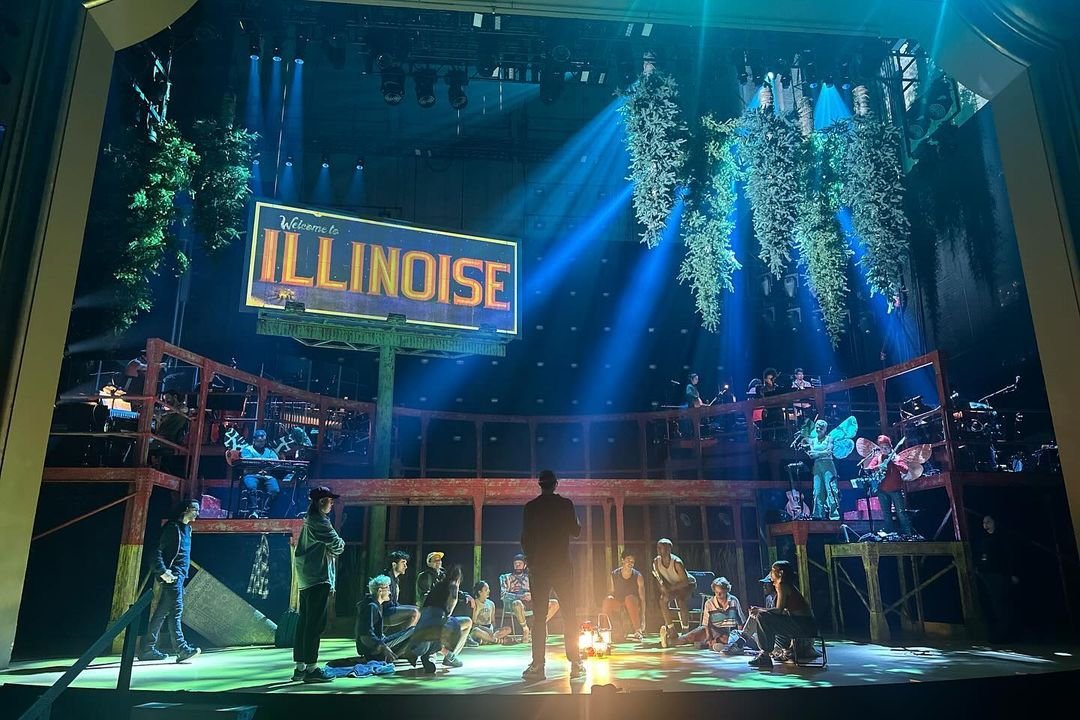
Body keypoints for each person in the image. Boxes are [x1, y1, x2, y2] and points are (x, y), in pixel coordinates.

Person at [520, 469, 584, 680]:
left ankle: (538, 666)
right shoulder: (565, 504)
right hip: (562, 567)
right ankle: (575, 663)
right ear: (556, 484)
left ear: (540, 485)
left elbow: (525, 539)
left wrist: (531, 561)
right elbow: (576, 531)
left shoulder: (531, 507)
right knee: (569, 614)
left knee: (539, 617)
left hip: (539, 568)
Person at [292, 486, 345, 683]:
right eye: (329, 501)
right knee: (315, 624)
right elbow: (338, 545)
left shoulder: (310, 519)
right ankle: (312, 668)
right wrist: (339, 544)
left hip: (307, 577)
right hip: (318, 576)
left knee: (305, 623)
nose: (331, 504)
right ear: (321, 502)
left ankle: (300, 667)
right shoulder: (319, 521)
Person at [138, 499, 202, 663]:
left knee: (162, 612)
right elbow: (155, 550)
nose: (198, 513)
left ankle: (147, 649)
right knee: (176, 611)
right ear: (186, 509)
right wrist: (162, 571)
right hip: (172, 576)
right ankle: (182, 649)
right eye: (195, 509)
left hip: (180, 577)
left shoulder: (187, 529)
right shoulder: (172, 528)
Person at [743, 561, 816, 668]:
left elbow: (779, 610)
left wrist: (760, 611)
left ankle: (765, 655)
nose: (770, 574)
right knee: (762, 616)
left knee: (762, 616)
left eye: (773, 571)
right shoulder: (784, 586)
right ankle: (767, 652)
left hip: (803, 626)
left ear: (780, 573)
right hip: (802, 624)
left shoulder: (782, 585)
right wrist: (760, 609)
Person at [401, 565, 473, 672]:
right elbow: (452, 602)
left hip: (423, 628)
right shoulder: (453, 585)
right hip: (436, 623)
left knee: (438, 633)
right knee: (467, 622)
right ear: (458, 578)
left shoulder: (438, 585)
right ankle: (450, 657)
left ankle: (428, 656)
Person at [665, 577, 746, 650]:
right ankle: (668, 641)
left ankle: (714, 644)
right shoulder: (709, 603)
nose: (718, 595)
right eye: (716, 592)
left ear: (726, 591)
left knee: (726, 639)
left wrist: (739, 637)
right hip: (711, 629)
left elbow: (740, 621)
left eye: (721, 592)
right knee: (690, 636)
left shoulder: (733, 601)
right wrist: (709, 637)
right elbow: (706, 624)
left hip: (725, 632)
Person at [974, 515, 1018, 642]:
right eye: (984, 522)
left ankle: (1006, 634)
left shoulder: (1001, 538)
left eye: (988, 522)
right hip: (987, 575)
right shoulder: (984, 539)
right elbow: (981, 555)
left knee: (1002, 604)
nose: (985, 525)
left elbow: (1008, 556)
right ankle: (998, 633)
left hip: (999, 574)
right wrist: (979, 568)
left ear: (994, 522)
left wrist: (1012, 574)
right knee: (994, 604)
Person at [500, 553, 559, 644]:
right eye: (515, 563)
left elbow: (540, 591)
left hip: (532, 602)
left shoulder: (530, 577)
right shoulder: (506, 577)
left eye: (520, 563)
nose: (517, 565)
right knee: (517, 603)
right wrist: (520, 596)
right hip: (514, 604)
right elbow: (503, 595)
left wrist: (532, 595)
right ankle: (525, 629)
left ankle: (536, 627)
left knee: (555, 603)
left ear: (525, 565)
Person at [354, 575, 414, 663]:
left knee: (413, 629)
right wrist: (383, 647)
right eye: (388, 589)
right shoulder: (371, 606)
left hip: (379, 643)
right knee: (414, 630)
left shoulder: (377, 605)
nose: (389, 592)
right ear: (380, 591)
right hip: (373, 649)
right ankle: (385, 658)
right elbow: (365, 634)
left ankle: (392, 656)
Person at [652, 538, 696, 646]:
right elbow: (658, 578)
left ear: (669, 549)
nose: (660, 550)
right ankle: (671, 629)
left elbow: (685, 581)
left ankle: (685, 630)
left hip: (687, 585)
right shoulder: (656, 562)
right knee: (663, 600)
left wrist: (670, 589)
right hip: (673, 585)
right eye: (659, 547)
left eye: (663, 548)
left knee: (681, 600)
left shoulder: (677, 563)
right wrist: (663, 588)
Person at [874, 435, 915, 536]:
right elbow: (870, 467)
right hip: (882, 490)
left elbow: (905, 470)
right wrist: (878, 467)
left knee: (901, 512)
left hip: (895, 490)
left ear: (890, 447)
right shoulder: (878, 458)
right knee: (886, 513)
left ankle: (908, 533)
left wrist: (895, 461)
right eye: (882, 447)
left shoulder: (896, 457)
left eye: (886, 447)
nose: (884, 449)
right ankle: (889, 532)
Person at [602, 550, 646, 641]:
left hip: (632, 601)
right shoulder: (614, 574)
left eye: (632, 561)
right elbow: (611, 592)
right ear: (623, 560)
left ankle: (637, 630)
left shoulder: (638, 576)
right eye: (628, 560)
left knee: (629, 598)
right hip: (619, 601)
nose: (630, 563)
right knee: (608, 600)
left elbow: (642, 599)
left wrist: (643, 617)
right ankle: (605, 630)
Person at [240, 428, 279, 517]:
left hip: (266, 475)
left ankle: (265, 512)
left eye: (263, 441)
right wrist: (261, 465)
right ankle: (254, 511)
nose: (261, 443)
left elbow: (276, 461)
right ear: (254, 440)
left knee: (275, 489)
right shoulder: (247, 450)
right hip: (251, 474)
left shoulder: (269, 451)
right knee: (251, 486)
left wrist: (267, 467)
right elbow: (248, 462)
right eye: (259, 441)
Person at [806, 419, 840, 519]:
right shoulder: (812, 440)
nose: (818, 429)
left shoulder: (829, 439)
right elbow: (812, 454)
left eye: (821, 428)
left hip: (828, 464)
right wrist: (816, 453)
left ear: (825, 429)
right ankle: (818, 514)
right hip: (817, 465)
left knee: (831, 489)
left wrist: (817, 453)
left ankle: (834, 515)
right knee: (817, 490)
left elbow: (829, 452)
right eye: (817, 427)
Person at [382, 550, 420, 634]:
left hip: (392, 608)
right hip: (385, 612)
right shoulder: (386, 578)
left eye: (406, 563)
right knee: (414, 612)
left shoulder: (395, 579)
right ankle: (403, 638)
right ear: (394, 564)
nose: (406, 566)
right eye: (403, 563)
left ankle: (405, 636)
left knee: (418, 609)